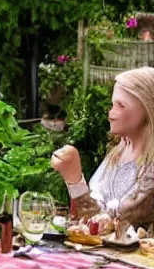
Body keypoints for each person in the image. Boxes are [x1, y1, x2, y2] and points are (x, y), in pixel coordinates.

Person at [51, 66, 154, 229]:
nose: (111, 113)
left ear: (148, 109)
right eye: (112, 104)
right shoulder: (117, 153)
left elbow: (115, 224)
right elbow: (91, 218)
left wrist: (75, 180)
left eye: (121, 105)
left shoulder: (151, 166)